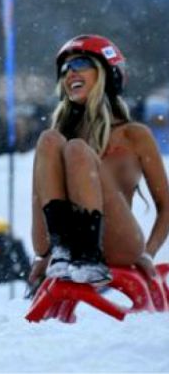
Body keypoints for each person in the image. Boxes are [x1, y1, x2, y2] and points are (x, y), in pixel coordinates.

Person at [29, 34, 169, 288]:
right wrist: (44, 253)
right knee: (49, 139)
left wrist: (148, 252)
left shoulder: (133, 135)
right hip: (62, 244)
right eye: (65, 68)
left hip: (118, 243)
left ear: (107, 73)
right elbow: (37, 203)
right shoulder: (59, 138)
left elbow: (166, 206)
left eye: (80, 64)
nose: (70, 73)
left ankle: (88, 255)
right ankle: (61, 248)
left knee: (77, 151)